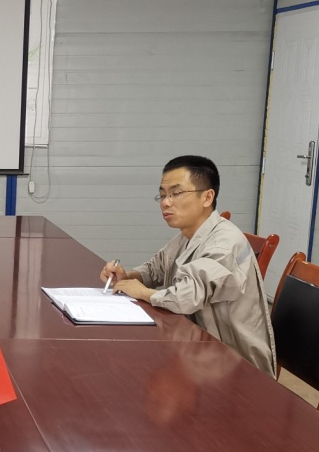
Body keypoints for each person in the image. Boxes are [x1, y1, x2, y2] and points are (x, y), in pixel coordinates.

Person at [100, 155, 276, 376]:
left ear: (207, 197)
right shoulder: (189, 233)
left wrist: (143, 292)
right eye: (163, 195)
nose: (166, 202)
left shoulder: (224, 243)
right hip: (197, 349)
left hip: (234, 364)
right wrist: (129, 276)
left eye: (176, 193)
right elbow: (156, 268)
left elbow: (186, 297)